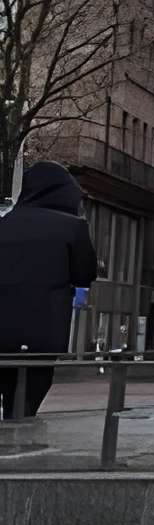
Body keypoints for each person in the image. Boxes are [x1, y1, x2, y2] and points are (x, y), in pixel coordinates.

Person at [0, 160, 97, 421]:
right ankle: (18, 433)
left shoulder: (5, 223)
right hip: (43, 330)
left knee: (7, 383)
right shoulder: (73, 227)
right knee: (33, 387)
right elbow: (85, 274)